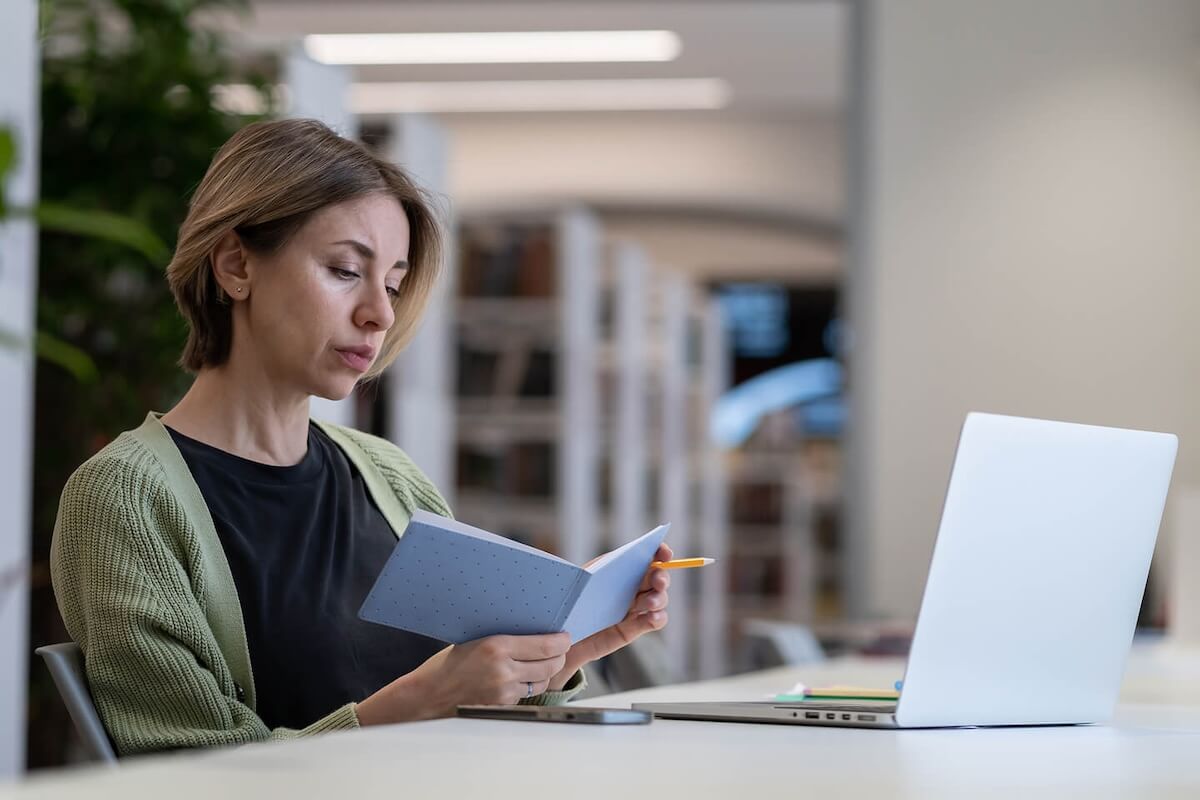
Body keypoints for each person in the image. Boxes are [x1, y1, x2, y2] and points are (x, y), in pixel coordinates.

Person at [50, 118, 672, 756]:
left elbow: (474, 708)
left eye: (394, 284)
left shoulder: (391, 477)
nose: (380, 313)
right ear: (236, 264)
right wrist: (413, 704)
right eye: (346, 271)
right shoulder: (125, 501)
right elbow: (191, 774)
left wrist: (562, 656)